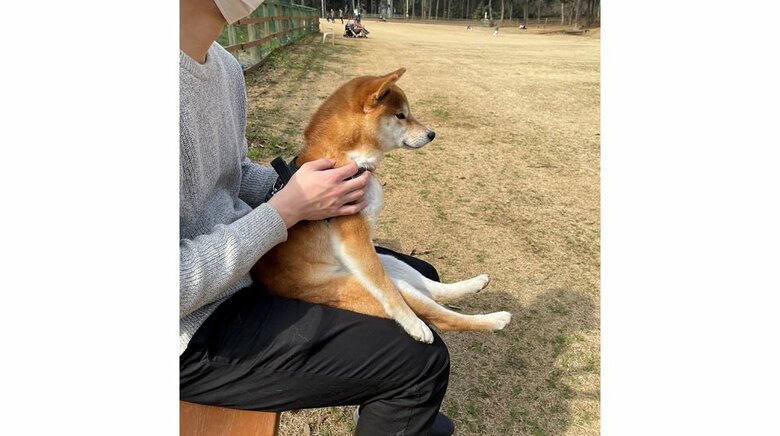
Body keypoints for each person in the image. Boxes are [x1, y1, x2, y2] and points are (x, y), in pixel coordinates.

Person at [178, 0, 455, 435]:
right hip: (193, 329)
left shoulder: (225, 67)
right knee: (421, 362)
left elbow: (233, 173)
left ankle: (390, 406)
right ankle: (400, 394)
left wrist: (306, 183)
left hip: (250, 267)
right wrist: (284, 210)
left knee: (423, 276)